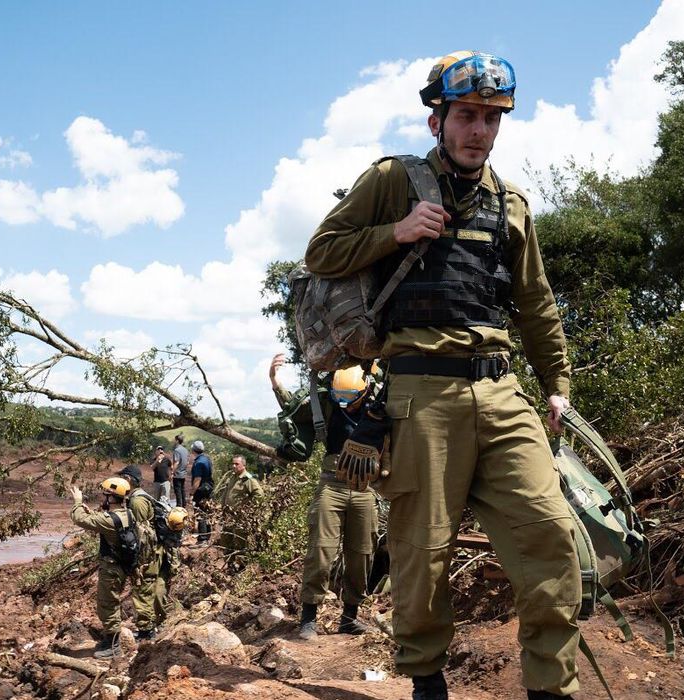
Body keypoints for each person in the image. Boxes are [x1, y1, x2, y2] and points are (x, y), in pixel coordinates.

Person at [306, 51, 581, 700]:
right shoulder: (392, 182)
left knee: (549, 531)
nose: (478, 130)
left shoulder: (511, 204)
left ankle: (551, 688)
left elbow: (536, 303)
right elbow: (322, 251)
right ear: (438, 122)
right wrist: (394, 233)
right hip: (419, 393)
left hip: (501, 391)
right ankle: (427, 680)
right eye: (466, 116)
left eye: (491, 118)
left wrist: (559, 385)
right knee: (422, 553)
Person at [269, 353, 378, 640]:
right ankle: (308, 619)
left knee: (362, 555)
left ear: (365, 388)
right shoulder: (327, 403)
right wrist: (274, 381)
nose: (344, 402)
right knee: (321, 551)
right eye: (339, 396)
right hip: (332, 486)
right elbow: (295, 407)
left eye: (350, 397)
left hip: (366, 489)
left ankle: (350, 618)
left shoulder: (380, 402)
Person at [68, 477, 140, 659]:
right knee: (111, 603)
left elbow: (78, 519)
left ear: (111, 497)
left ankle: (114, 644)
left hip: (112, 569)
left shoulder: (109, 520)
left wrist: (78, 502)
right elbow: (105, 520)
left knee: (107, 605)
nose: (102, 499)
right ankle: (111, 640)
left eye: (104, 495)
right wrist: (90, 512)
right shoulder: (128, 514)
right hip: (122, 566)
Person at [115, 464, 162, 641]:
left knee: (143, 591)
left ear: (128, 480)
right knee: (143, 590)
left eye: (122, 478)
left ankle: (146, 631)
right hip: (147, 554)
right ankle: (147, 628)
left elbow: (142, 533)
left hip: (146, 556)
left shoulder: (137, 501)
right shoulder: (136, 498)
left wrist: (136, 560)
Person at [214, 454, 265, 560]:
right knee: (226, 540)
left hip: (240, 518)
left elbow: (259, 495)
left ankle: (240, 569)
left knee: (240, 543)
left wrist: (248, 508)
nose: (233, 466)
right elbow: (227, 493)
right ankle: (229, 565)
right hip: (228, 516)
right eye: (233, 464)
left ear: (243, 465)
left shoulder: (247, 479)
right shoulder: (233, 477)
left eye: (236, 464)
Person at [189, 441, 215, 542]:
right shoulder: (207, 459)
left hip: (201, 491)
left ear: (193, 450)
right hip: (208, 489)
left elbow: (197, 480)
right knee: (207, 512)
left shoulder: (198, 462)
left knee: (200, 513)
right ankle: (208, 535)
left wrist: (192, 494)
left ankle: (203, 538)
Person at [171, 434, 190, 508]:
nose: (174, 441)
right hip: (183, 474)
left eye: (175, 440)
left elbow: (176, 462)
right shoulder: (185, 450)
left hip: (177, 474)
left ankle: (179, 507)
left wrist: (172, 472)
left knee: (177, 491)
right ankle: (184, 506)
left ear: (177, 441)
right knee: (182, 490)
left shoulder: (177, 450)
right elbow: (187, 462)